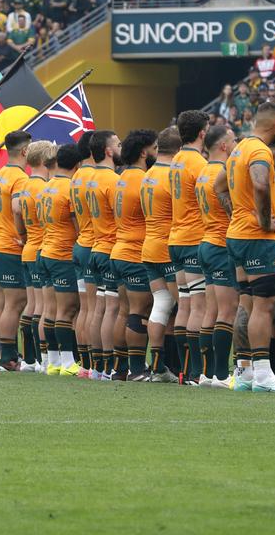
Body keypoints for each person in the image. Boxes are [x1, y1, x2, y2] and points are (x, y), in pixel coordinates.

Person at [219, 101, 275, 393]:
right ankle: (263, 374)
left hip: (236, 235)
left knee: (247, 302)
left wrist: (237, 212)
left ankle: (245, 371)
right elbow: (261, 185)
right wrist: (264, 220)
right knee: (265, 305)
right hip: (256, 238)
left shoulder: (237, 149)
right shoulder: (260, 151)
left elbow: (219, 187)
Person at [112, 129, 158, 381]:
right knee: (138, 311)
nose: (157, 152)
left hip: (119, 250)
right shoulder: (143, 179)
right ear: (144, 152)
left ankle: (120, 369)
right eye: (155, 148)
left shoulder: (121, 177)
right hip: (134, 252)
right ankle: (138, 370)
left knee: (124, 310)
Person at [168, 110, 210, 384]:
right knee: (198, 306)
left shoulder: (176, 160)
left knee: (184, 305)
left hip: (176, 238)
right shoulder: (199, 163)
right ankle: (197, 371)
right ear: (202, 133)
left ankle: (185, 369)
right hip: (194, 238)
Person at [195, 124, 238, 387]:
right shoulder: (224, 172)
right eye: (233, 141)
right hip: (221, 244)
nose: (235, 145)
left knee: (211, 310)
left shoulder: (202, 172)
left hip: (206, 242)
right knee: (227, 310)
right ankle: (221, 374)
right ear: (223, 146)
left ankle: (207, 373)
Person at [0, 130, 31, 371]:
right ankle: (8, 358)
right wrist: (22, 236)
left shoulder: (0, 174)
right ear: (25, 151)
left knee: (1, 304)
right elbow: (18, 209)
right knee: (15, 304)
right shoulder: (20, 178)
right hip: (9, 247)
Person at [140, 127, 181, 382]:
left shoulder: (149, 175)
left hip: (150, 245)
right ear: (179, 150)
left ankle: (157, 368)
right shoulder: (172, 175)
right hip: (169, 245)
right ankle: (191, 368)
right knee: (187, 306)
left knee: (162, 304)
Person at [37, 143, 82, 375]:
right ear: (78, 164)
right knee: (68, 309)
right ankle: (67, 363)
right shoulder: (70, 188)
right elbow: (77, 225)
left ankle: (53, 362)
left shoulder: (46, 186)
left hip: (44, 252)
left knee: (51, 308)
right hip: (62, 254)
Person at [16, 141, 57, 373]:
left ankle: (30, 359)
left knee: (32, 305)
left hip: (29, 246)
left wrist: (23, 235)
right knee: (43, 306)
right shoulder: (43, 187)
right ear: (46, 161)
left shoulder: (25, 186)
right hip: (43, 247)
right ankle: (42, 358)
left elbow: (17, 214)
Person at [87, 130, 123, 381]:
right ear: (109, 151)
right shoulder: (111, 180)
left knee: (99, 308)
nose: (122, 147)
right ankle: (110, 366)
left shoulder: (91, 178)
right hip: (110, 246)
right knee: (111, 308)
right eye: (118, 144)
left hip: (96, 246)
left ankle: (97, 366)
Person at [69, 131, 96, 371]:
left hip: (80, 243)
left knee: (84, 308)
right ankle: (97, 364)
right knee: (96, 308)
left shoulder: (76, 176)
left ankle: (85, 364)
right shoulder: (94, 176)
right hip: (93, 245)